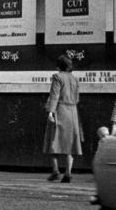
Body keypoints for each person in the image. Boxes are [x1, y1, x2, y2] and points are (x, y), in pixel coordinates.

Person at [43, 55, 83, 183]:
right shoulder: (75, 79)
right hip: (73, 112)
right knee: (70, 143)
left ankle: (55, 171)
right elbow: (77, 99)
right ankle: (68, 172)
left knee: (53, 141)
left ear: (59, 66)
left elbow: (54, 96)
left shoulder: (57, 77)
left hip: (60, 110)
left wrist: (51, 111)